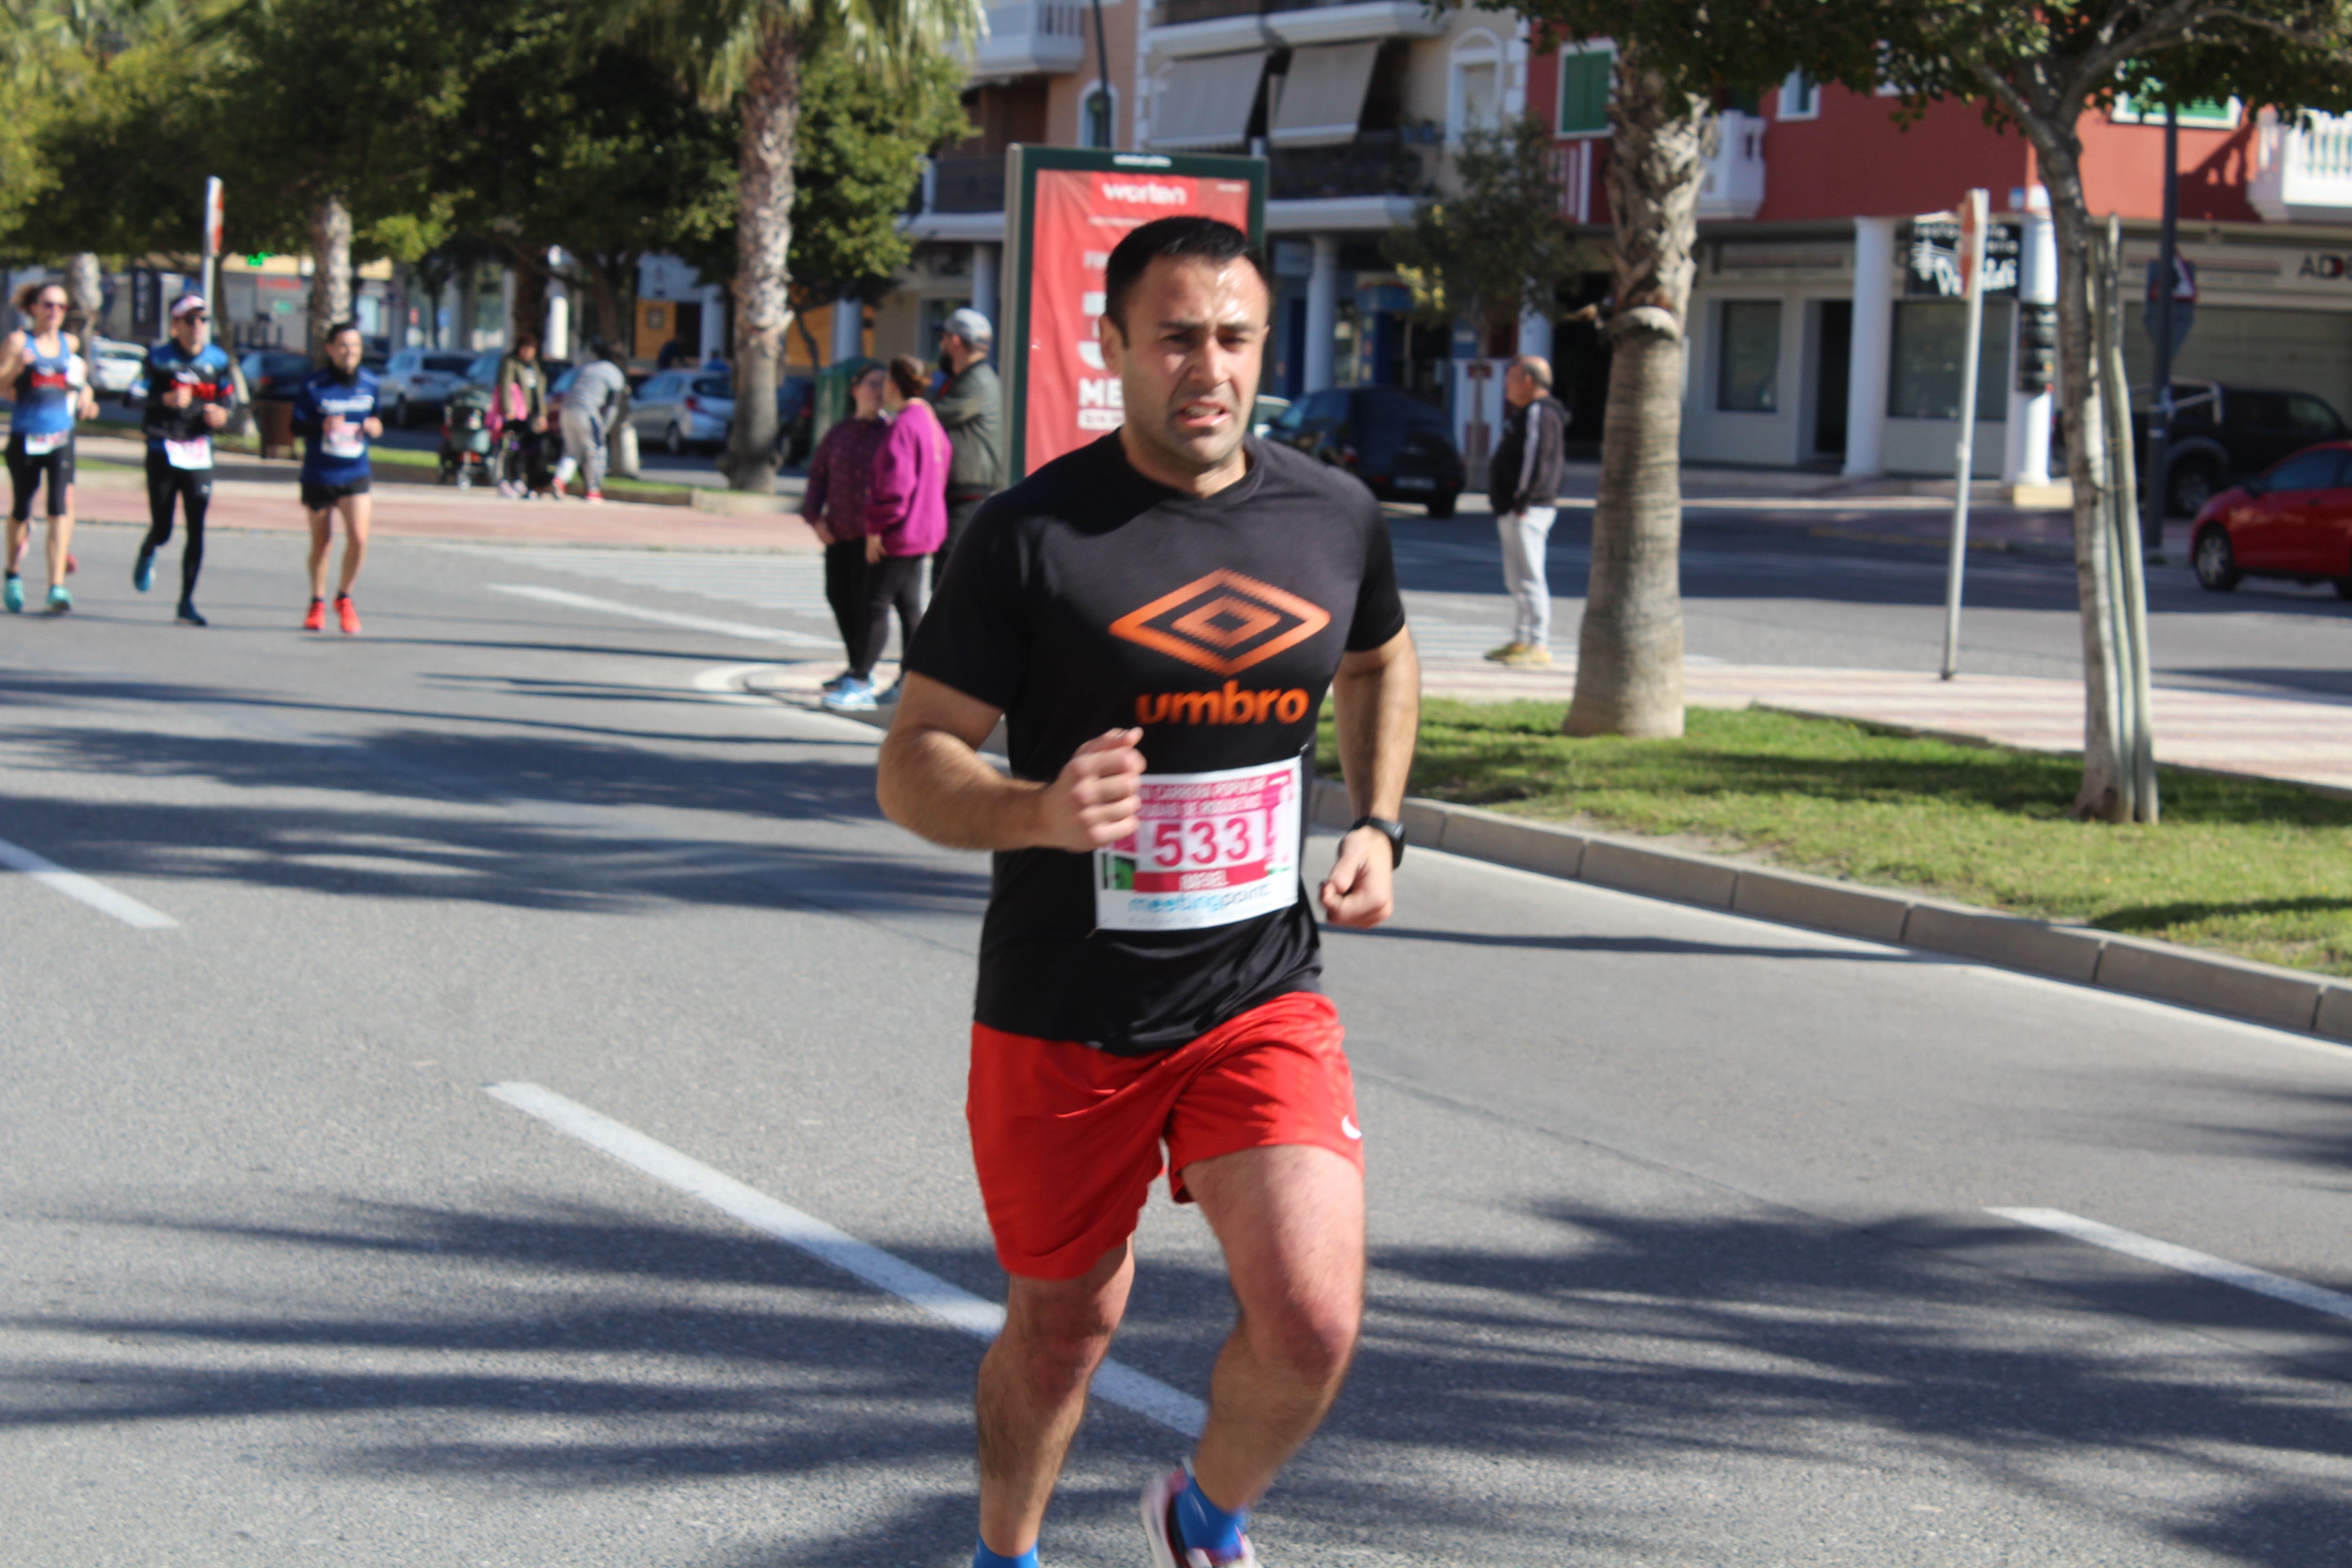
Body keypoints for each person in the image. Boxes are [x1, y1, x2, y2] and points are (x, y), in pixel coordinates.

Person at [875, 216, 1418, 1568]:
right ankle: (1009, 1553)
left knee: (1313, 1317)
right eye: (1175, 336)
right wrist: (1037, 812)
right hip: (1064, 1011)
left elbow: (1380, 661)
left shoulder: (1332, 515)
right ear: (1112, 345)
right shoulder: (1032, 534)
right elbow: (911, 761)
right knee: (1066, 1326)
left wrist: (1382, 824)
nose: (1207, 366)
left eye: (1233, 338)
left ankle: (1203, 1515)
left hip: (1257, 991)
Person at [827, 355, 947, 714]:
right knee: (909, 606)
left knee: (874, 604)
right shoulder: (929, 421)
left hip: (899, 531)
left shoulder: (904, 425)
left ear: (895, 385)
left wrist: (877, 527)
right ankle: (912, 680)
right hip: (925, 528)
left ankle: (860, 680)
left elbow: (895, 486)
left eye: (886, 383)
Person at [133, 293, 238, 625]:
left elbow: (229, 399)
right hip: (163, 448)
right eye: (190, 320)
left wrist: (222, 415)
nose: (197, 327)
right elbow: (131, 395)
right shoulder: (159, 358)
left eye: (203, 320)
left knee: (197, 528)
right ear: (175, 324)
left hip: (197, 450)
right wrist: (164, 397)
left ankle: (186, 602)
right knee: (163, 527)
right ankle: (150, 547)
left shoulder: (217, 360)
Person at [0, 280, 98, 614]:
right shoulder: (18, 341)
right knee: (22, 511)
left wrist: (86, 394)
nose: (54, 311)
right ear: (34, 309)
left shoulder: (69, 344)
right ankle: (12, 574)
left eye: (59, 306)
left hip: (61, 437)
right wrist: (17, 366)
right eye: (47, 305)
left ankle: (56, 585)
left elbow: (78, 380)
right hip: (27, 435)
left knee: (60, 508)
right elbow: (2, 386)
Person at [795, 359, 891, 694]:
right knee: (839, 597)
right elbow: (818, 476)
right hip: (838, 534)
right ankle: (855, 665)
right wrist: (814, 518)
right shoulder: (838, 433)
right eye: (872, 383)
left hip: (872, 538)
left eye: (883, 384)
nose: (878, 390)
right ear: (855, 390)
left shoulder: (891, 432)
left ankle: (862, 672)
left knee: (870, 604)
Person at [289, 322, 384, 634]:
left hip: (355, 472)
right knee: (323, 542)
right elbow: (296, 426)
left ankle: (344, 596)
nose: (350, 352)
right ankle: (316, 601)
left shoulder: (370, 383)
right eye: (343, 346)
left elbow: (377, 419)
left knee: (359, 538)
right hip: (320, 473)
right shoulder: (315, 385)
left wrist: (374, 427)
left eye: (355, 346)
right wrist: (322, 427)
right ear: (330, 349)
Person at [1482, 355, 1568, 668]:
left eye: (1511, 379)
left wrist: (1521, 499)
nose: (1506, 387)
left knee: (1530, 576)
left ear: (1528, 381)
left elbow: (1535, 457)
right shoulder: (1527, 413)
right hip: (1515, 508)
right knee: (1516, 578)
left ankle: (1538, 643)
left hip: (1527, 509)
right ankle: (1521, 638)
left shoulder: (1540, 413)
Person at [932, 306, 1002, 592]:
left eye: (944, 338)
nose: (942, 345)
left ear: (955, 342)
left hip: (971, 492)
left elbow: (935, 416)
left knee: (949, 574)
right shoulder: (972, 378)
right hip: (963, 491)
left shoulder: (976, 380)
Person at [553, 341, 627, 503]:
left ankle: (559, 480)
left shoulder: (589, 368)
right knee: (597, 451)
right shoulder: (614, 373)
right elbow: (613, 405)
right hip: (587, 412)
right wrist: (605, 427)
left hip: (567, 410)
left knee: (572, 451)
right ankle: (593, 490)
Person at [492, 333, 549, 499]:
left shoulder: (534, 367)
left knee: (531, 449)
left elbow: (539, 392)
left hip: (531, 413)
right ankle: (510, 480)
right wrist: (508, 409)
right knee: (512, 448)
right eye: (526, 348)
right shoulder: (511, 363)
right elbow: (505, 386)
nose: (529, 352)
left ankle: (527, 482)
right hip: (516, 413)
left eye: (532, 349)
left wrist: (542, 414)